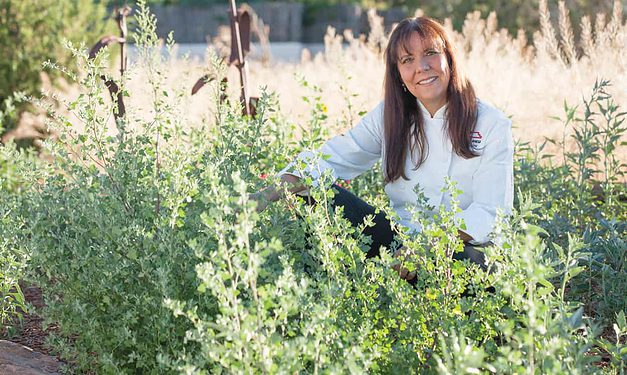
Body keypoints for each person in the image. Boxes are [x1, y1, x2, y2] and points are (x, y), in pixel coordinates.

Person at [252, 16, 514, 281]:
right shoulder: (391, 116)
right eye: (407, 59)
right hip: (400, 247)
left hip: (462, 249)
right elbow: (334, 157)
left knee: (464, 260)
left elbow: (490, 211)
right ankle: (324, 292)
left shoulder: (491, 123)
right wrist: (262, 196)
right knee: (316, 192)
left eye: (430, 53)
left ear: (449, 58)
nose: (421, 67)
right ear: (398, 72)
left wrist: (427, 247)